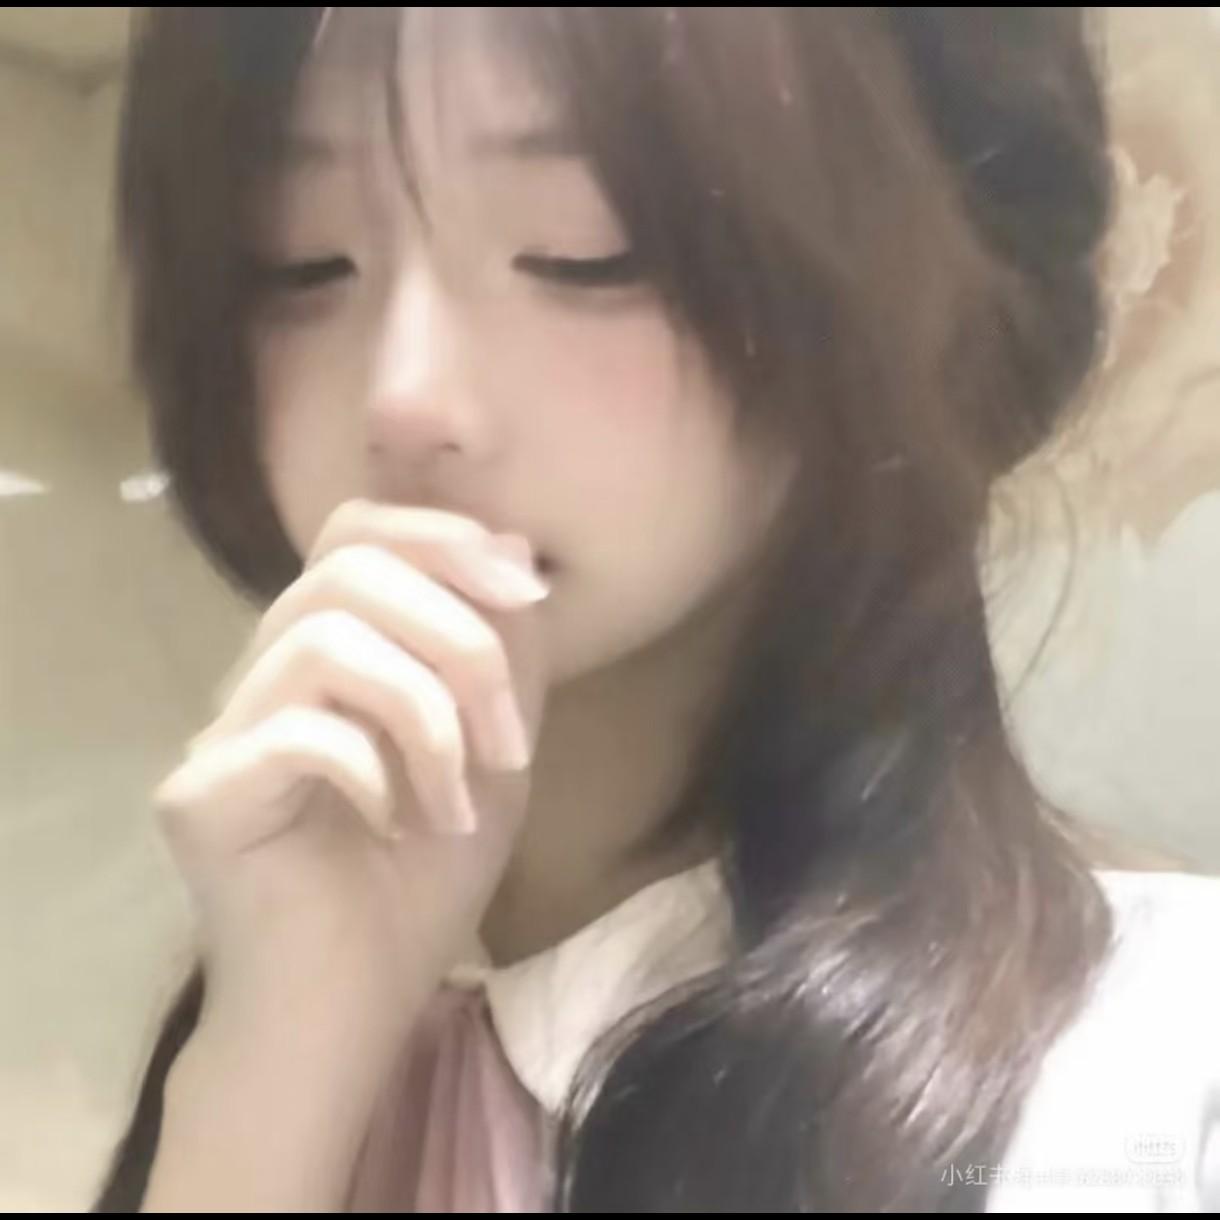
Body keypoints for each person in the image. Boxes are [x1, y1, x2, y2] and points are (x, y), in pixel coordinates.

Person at [93, 8, 1219, 1211]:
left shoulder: (1157, 1071)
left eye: (582, 251)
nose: (404, 394)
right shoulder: (278, 1053)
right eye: (300, 260)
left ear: (911, 290)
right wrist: (266, 1077)